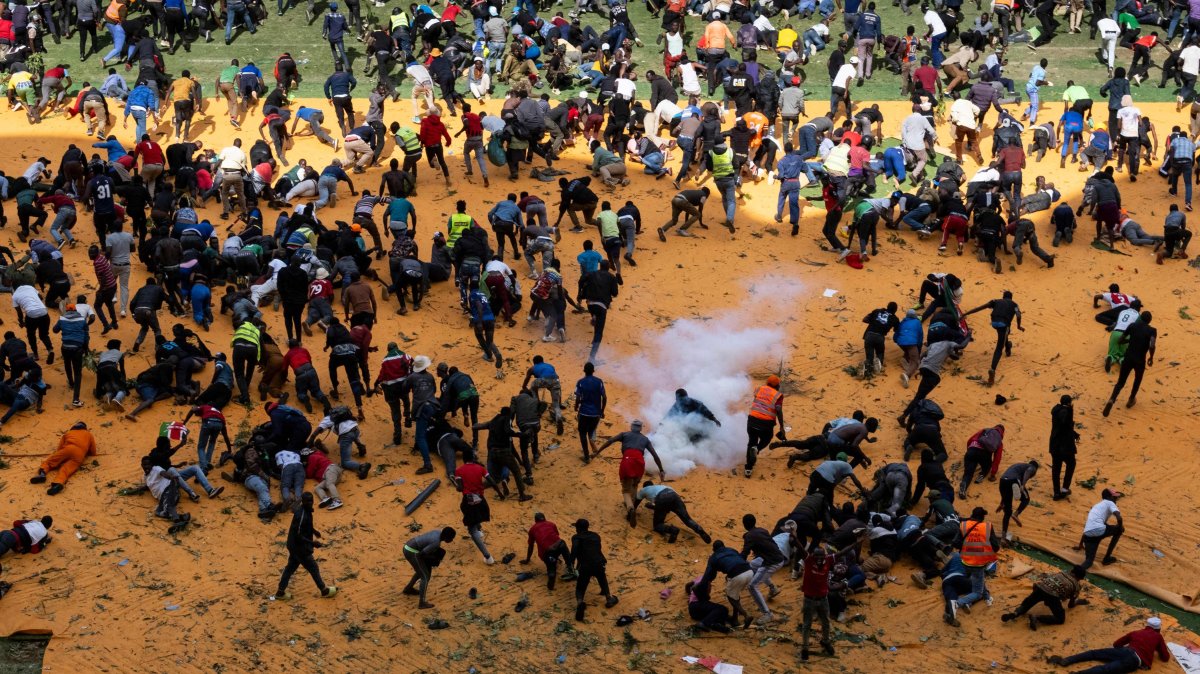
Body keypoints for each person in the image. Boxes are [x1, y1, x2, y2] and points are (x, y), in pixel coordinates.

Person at [592, 420, 666, 526]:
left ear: (631, 427)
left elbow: (610, 441)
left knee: (626, 490)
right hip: (640, 463)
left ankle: (630, 509)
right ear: (640, 428)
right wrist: (661, 470)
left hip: (628, 461)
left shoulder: (624, 434)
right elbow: (655, 455)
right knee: (634, 485)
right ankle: (631, 506)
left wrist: (597, 452)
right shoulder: (645, 439)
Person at [269, 493, 338, 601]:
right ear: (303, 501)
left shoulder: (306, 510)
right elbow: (298, 535)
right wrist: (312, 543)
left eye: (311, 500)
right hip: (299, 548)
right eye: (308, 501)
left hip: (294, 546)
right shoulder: (301, 515)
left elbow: (306, 526)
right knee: (313, 567)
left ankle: (280, 592)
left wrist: (314, 531)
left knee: (290, 568)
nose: (310, 503)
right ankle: (324, 590)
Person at [1048, 617, 1171, 672]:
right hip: (1134, 660)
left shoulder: (1136, 632)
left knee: (1094, 654)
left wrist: (1123, 650)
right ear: (1158, 629)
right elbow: (1165, 657)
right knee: (1106, 669)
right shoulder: (1158, 637)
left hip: (1125, 651)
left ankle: (1067, 660)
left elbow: (1116, 644)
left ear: (1147, 626)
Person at [962, 291, 1024, 386]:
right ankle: (992, 369)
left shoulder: (995, 301)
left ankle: (1008, 347)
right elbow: (1018, 315)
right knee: (999, 348)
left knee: (1004, 335)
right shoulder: (1014, 304)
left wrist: (966, 313)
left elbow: (980, 308)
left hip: (994, 323)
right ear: (1011, 298)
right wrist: (1019, 326)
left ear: (1003, 297)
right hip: (1004, 324)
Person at [453, 450, 502, 564]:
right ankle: (478, 528)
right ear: (473, 458)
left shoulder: (459, 470)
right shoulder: (480, 468)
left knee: (471, 530)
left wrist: (456, 485)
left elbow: (460, 488)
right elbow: (492, 481)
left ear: (464, 459)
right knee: (467, 509)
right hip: (481, 499)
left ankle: (488, 557)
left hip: (469, 501)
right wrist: (500, 493)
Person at [1001, 565, 1087, 630]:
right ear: (1080, 578)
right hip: (1052, 596)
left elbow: (1046, 580)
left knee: (1027, 604)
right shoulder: (1076, 586)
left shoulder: (1061, 573)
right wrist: (1077, 602)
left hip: (1040, 587)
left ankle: (1016, 613)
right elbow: (1070, 605)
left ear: (1071, 571)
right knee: (1060, 619)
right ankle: (1037, 618)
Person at [1103, 311, 1156, 416]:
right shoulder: (1152, 330)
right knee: (1137, 379)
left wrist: (1129, 341)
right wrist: (1151, 357)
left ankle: (1112, 399)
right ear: (1150, 321)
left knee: (1120, 382)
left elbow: (1120, 340)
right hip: (1140, 360)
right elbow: (1152, 345)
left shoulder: (1132, 326)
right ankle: (1131, 399)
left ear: (1140, 318)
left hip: (1128, 358)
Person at [696, 540, 753, 629]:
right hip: (749, 571)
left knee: (731, 597)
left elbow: (708, 574)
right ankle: (735, 619)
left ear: (713, 549)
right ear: (724, 546)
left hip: (737, 575)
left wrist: (701, 585)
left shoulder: (714, 557)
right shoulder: (732, 550)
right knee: (735, 594)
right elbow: (741, 558)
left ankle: (746, 615)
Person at [570, 518, 619, 621]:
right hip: (599, 563)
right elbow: (594, 550)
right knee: (602, 578)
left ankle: (580, 603)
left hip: (586, 566)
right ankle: (609, 598)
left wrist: (571, 563)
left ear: (578, 528)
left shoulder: (576, 538)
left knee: (580, 587)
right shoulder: (596, 536)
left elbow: (575, 551)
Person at [29, 422, 97, 495]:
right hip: (79, 455)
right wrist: (85, 452)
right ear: (84, 428)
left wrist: (60, 458)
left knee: (49, 462)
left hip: (67, 449)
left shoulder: (68, 433)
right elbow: (93, 451)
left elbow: (60, 448)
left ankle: (42, 474)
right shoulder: (89, 434)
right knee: (66, 470)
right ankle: (58, 483)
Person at [741, 513, 785, 624]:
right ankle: (773, 588)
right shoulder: (762, 530)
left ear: (744, 525)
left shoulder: (749, 536)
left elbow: (744, 554)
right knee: (753, 564)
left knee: (752, 586)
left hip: (772, 563)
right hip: (777, 556)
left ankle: (767, 614)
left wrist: (736, 563)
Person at [955, 506, 1000, 614]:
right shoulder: (987, 526)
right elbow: (996, 546)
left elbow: (955, 543)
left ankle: (987, 597)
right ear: (983, 517)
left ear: (972, 515)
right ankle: (959, 602)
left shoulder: (964, 525)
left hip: (965, 561)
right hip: (978, 563)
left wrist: (967, 547)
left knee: (978, 578)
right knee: (977, 592)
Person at [635, 480, 711, 543]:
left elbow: (636, 502)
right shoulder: (662, 486)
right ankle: (699, 529)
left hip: (662, 498)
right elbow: (667, 509)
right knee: (687, 519)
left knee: (657, 525)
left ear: (645, 486)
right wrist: (652, 507)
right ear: (653, 484)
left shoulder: (644, 490)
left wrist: (632, 511)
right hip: (674, 496)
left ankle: (672, 530)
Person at [402, 527, 457, 609]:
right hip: (412, 552)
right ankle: (422, 603)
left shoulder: (437, 532)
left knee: (421, 571)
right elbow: (422, 554)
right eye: (451, 538)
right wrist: (433, 560)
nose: (452, 540)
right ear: (446, 537)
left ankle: (408, 589)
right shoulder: (436, 543)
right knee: (425, 576)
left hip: (408, 547)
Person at [521, 512, 576, 591]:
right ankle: (569, 564)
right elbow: (556, 536)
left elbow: (531, 546)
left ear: (535, 520)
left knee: (551, 567)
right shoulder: (551, 524)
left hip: (547, 552)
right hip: (559, 547)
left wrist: (527, 559)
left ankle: (551, 582)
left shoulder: (532, 529)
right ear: (545, 518)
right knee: (562, 543)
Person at [745, 375, 786, 477]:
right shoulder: (778, 395)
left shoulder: (759, 388)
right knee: (767, 438)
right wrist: (781, 426)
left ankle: (748, 469)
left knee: (751, 442)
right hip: (766, 424)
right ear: (777, 385)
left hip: (752, 420)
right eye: (778, 385)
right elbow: (778, 409)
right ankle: (757, 449)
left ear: (767, 383)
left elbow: (758, 400)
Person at [799, 545, 836, 661]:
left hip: (823, 599)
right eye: (816, 555)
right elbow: (801, 549)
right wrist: (794, 538)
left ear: (825, 555)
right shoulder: (809, 561)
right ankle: (805, 648)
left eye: (821, 555)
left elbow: (842, 553)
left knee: (826, 622)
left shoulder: (828, 560)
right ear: (812, 555)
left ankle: (825, 641)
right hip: (809, 599)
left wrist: (856, 543)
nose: (819, 557)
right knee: (807, 624)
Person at [1076, 488, 1125, 569]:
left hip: (1088, 535)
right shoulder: (1110, 503)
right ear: (1109, 497)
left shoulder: (1097, 506)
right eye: (1114, 497)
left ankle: (1075, 572)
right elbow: (1119, 518)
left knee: (1089, 561)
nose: (1116, 499)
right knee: (1119, 529)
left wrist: (1080, 544)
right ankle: (1107, 558)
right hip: (1099, 530)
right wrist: (1120, 528)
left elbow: (1089, 527)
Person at [997, 460, 1038, 540]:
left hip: (1003, 481)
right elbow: (1028, 472)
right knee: (1026, 499)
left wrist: (1002, 503)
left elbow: (1003, 492)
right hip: (1014, 480)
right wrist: (1023, 485)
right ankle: (1016, 514)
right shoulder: (1032, 467)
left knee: (1007, 512)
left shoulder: (1018, 466)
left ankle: (1003, 538)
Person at [574, 362, 606, 462]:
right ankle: (594, 448)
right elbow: (604, 397)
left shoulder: (580, 382)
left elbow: (578, 397)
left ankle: (586, 456)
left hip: (584, 412)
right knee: (591, 431)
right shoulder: (599, 381)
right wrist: (602, 411)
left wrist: (576, 406)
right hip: (596, 413)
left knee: (582, 433)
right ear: (593, 371)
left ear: (584, 371)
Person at [1048, 395, 1080, 500]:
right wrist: (1070, 412)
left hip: (1054, 445)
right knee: (1071, 464)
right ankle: (1065, 489)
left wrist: (1074, 434)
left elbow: (1062, 427)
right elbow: (1065, 424)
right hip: (1065, 447)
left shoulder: (1056, 410)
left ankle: (1056, 492)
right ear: (1069, 403)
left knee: (1056, 469)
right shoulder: (1066, 411)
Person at [862, 302, 899, 378]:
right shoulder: (895, 319)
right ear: (895, 310)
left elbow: (865, 319)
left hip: (869, 335)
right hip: (880, 337)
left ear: (887, 306)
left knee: (869, 357)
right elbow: (897, 329)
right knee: (880, 352)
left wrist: (874, 322)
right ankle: (878, 366)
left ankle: (867, 368)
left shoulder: (877, 311)